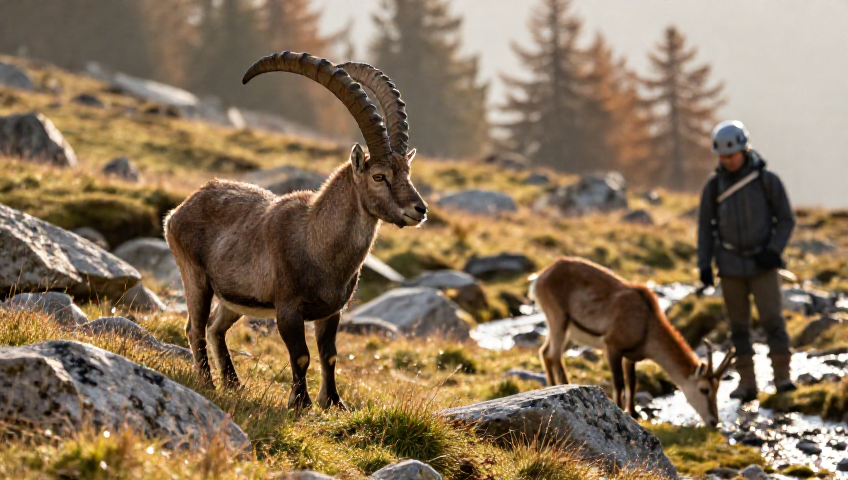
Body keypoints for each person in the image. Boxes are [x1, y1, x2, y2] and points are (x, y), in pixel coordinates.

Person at [697, 120, 797, 402]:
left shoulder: (768, 181)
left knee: (772, 321)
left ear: (744, 149)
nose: (727, 161)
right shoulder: (713, 187)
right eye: (722, 157)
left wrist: (774, 251)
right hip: (729, 268)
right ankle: (747, 383)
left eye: (731, 155)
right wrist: (704, 265)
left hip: (763, 266)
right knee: (738, 327)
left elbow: (786, 220)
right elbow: (705, 228)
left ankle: (783, 378)